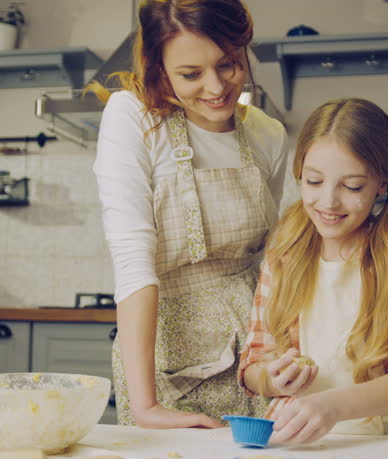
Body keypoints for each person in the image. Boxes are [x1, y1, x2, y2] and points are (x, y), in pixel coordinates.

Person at [93, 0, 288, 428]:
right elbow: (132, 261)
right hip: (168, 365)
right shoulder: (134, 118)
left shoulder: (268, 134)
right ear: (159, 67)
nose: (216, 87)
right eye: (190, 74)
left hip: (257, 353)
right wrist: (147, 408)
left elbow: (271, 261)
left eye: (229, 65)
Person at [238, 98, 388, 444]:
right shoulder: (284, 255)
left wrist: (333, 406)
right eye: (314, 182)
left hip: (380, 445)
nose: (328, 202)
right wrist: (273, 379)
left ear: (383, 185)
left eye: (351, 187)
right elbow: (252, 365)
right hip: (293, 442)